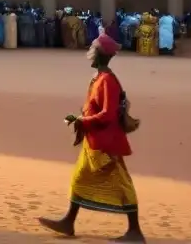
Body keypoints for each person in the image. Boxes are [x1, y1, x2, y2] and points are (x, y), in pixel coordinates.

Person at [38, 32, 145, 242]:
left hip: (106, 143)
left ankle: (135, 231)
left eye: (93, 50)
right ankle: (68, 221)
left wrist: (81, 121)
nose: (89, 53)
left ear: (100, 55)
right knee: (80, 179)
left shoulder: (107, 81)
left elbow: (107, 114)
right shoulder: (99, 78)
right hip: (95, 141)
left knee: (122, 184)